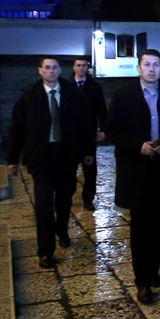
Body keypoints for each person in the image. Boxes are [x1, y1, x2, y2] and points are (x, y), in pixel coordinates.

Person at [105, 49, 160, 304]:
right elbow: (112, 130)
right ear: (138, 68)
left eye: (156, 65)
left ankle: (153, 270)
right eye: (147, 64)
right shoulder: (124, 94)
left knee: (159, 226)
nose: (152, 69)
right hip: (136, 170)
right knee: (140, 227)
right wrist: (136, 144)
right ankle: (142, 280)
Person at [7, 57, 95, 269]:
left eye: (55, 67)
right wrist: (13, 159)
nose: (51, 71)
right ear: (40, 71)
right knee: (44, 205)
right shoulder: (29, 98)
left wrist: (88, 150)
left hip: (66, 156)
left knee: (64, 200)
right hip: (40, 158)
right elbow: (16, 129)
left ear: (59, 70)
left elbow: (87, 124)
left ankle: (62, 230)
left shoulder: (74, 95)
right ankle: (45, 250)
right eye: (47, 68)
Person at [69, 56, 108, 211]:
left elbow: (102, 109)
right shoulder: (67, 86)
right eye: (78, 65)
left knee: (90, 170)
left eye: (84, 65)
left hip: (88, 135)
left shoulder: (95, 87)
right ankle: (67, 196)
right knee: (69, 170)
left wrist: (104, 128)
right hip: (70, 136)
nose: (81, 68)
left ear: (88, 68)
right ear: (74, 67)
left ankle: (88, 199)